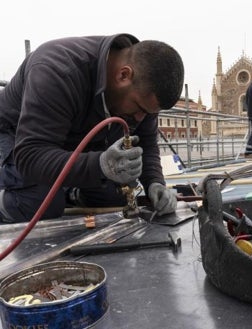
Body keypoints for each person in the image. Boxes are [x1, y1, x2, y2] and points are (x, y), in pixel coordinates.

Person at [0, 33, 184, 223]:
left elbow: (146, 143)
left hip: (71, 141)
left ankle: (70, 193)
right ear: (123, 75)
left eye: (149, 113)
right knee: (42, 202)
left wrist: (155, 183)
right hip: (17, 137)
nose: (140, 118)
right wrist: (101, 165)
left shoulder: (142, 91)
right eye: (139, 109)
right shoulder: (58, 70)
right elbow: (31, 155)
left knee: (115, 197)